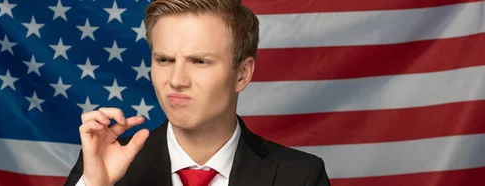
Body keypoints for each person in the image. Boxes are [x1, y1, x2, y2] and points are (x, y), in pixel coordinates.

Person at [64, 0, 331, 185]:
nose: (177, 80)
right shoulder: (102, 167)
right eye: (164, 60)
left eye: (199, 61)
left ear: (242, 74)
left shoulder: (300, 176)